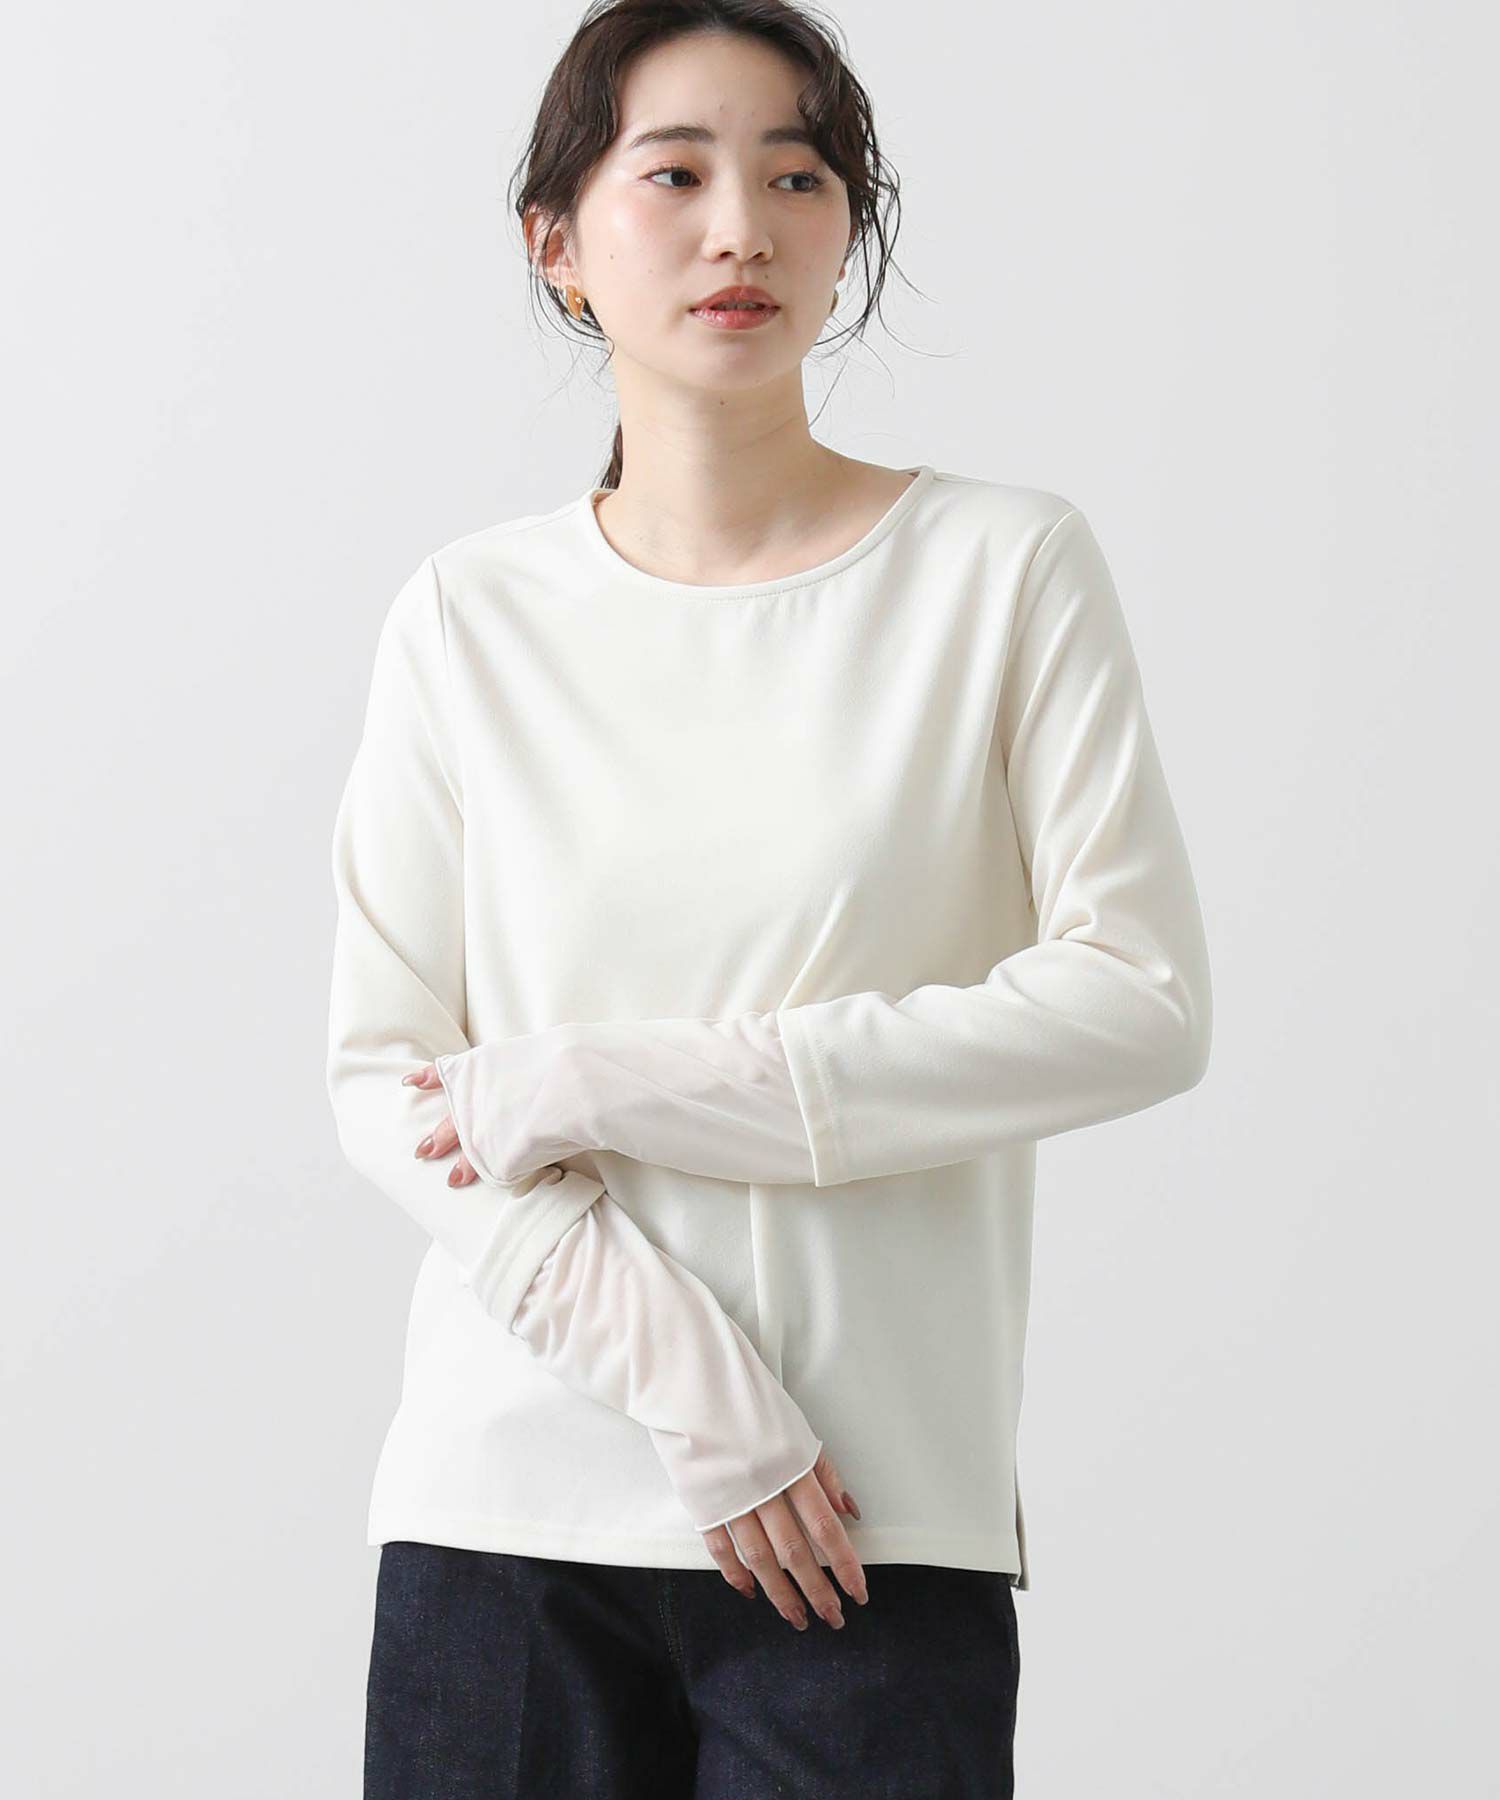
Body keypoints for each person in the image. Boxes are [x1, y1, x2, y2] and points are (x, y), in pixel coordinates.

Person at [324, 2, 1214, 1794]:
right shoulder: (469, 616)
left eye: (798, 178)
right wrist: (695, 1387)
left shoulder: (999, 570)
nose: (742, 227)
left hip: (866, 1531)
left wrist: (613, 1081)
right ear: (557, 242)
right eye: (676, 174)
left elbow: (1139, 1003)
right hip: (509, 1519)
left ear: (846, 229)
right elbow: (388, 1088)